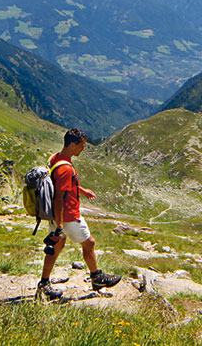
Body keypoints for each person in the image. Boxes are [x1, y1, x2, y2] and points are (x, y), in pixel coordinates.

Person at [37, 128, 120, 300]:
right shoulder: (66, 168)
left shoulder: (55, 159)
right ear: (73, 144)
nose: (83, 149)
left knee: (56, 247)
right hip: (68, 215)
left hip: (55, 215)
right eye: (81, 146)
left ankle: (44, 284)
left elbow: (62, 185)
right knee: (89, 243)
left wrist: (81, 190)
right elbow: (60, 197)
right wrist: (60, 225)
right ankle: (97, 278)